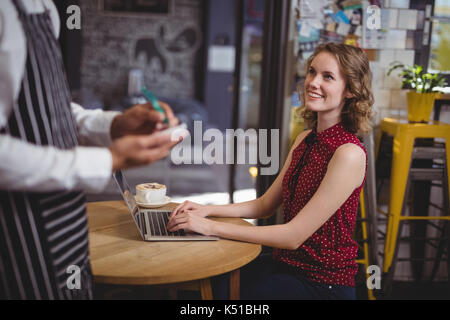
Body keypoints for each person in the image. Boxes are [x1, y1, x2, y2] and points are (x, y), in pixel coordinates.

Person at [0, 0, 181, 299]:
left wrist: (114, 124)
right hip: (17, 236)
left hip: (65, 221)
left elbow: (49, 110)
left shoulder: (45, 9)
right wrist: (108, 159)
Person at [168, 42, 374, 299]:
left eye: (328, 77)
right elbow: (265, 205)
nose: (313, 82)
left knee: (216, 294)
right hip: (284, 265)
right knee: (201, 279)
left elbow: (293, 236)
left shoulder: (349, 153)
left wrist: (209, 227)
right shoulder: (306, 139)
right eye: (312, 72)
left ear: (350, 90)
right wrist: (206, 210)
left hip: (321, 283)